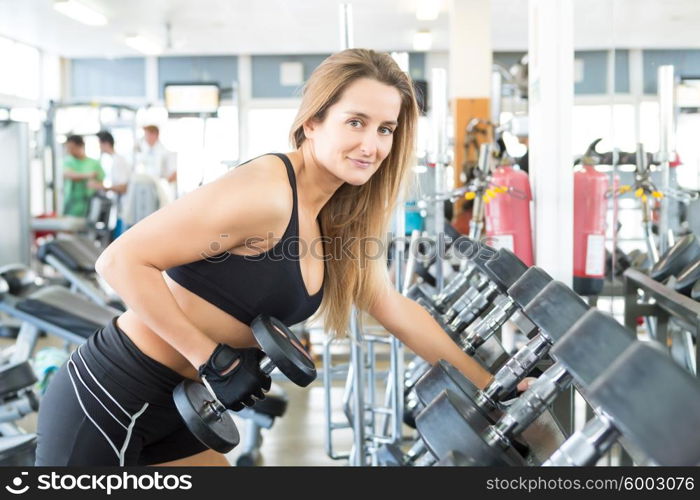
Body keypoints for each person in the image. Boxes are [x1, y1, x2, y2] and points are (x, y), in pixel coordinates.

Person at [35, 49, 516, 467]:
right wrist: (213, 359)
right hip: (112, 395)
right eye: (356, 122)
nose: (372, 145)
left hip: (184, 407)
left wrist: (498, 387)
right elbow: (119, 261)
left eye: (386, 129)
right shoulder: (268, 190)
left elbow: (396, 310)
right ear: (312, 122)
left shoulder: (338, 216)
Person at [97, 131, 132, 238]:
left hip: (125, 210)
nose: (99, 148)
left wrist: (102, 187)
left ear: (106, 144)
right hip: (120, 209)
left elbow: (123, 187)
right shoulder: (115, 161)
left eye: (100, 144)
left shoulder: (119, 161)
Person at [61, 134, 105, 217]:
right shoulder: (68, 161)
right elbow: (68, 174)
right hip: (71, 205)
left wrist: (95, 185)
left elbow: (101, 183)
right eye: (68, 148)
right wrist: (88, 175)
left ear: (81, 146)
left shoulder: (94, 163)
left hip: (89, 205)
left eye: (72, 148)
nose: (69, 151)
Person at [135, 124, 177, 197]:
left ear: (154, 135)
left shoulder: (166, 152)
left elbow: (173, 174)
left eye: (147, 134)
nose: (145, 137)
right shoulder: (143, 152)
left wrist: (162, 184)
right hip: (146, 189)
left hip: (161, 191)